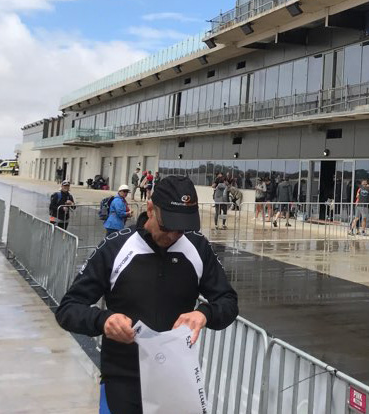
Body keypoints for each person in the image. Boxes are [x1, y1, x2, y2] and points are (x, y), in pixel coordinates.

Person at [56, 175, 239, 414]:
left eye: (182, 228)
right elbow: (68, 309)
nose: (173, 235)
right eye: (167, 226)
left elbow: (228, 302)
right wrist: (103, 320)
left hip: (176, 381)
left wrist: (204, 313)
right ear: (151, 209)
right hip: (123, 380)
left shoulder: (197, 247)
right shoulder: (116, 247)